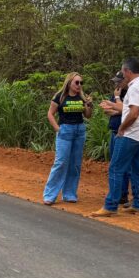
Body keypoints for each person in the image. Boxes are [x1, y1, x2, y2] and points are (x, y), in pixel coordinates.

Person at [92, 58, 139, 216]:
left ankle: (110, 206)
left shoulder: (134, 87)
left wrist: (122, 127)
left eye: (123, 71)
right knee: (138, 170)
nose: (123, 75)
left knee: (115, 169)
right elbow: (130, 109)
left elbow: (133, 113)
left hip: (130, 134)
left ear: (128, 71)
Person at [43, 72, 93, 205]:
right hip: (65, 130)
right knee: (61, 162)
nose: (79, 85)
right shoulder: (60, 96)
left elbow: (87, 116)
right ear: (69, 83)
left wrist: (89, 105)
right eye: (77, 82)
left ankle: (69, 193)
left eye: (81, 83)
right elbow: (50, 113)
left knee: (75, 164)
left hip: (79, 131)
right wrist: (57, 129)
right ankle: (50, 195)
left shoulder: (81, 97)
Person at [98, 71, 130, 208]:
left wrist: (117, 103)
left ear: (126, 80)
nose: (116, 84)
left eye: (119, 81)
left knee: (120, 166)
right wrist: (118, 109)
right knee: (114, 163)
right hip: (114, 131)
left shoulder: (128, 93)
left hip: (124, 133)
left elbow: (128, 110)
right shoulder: (117, 92)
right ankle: (118, 193)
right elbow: (107, 110)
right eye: (115, 81)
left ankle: (122, 195)